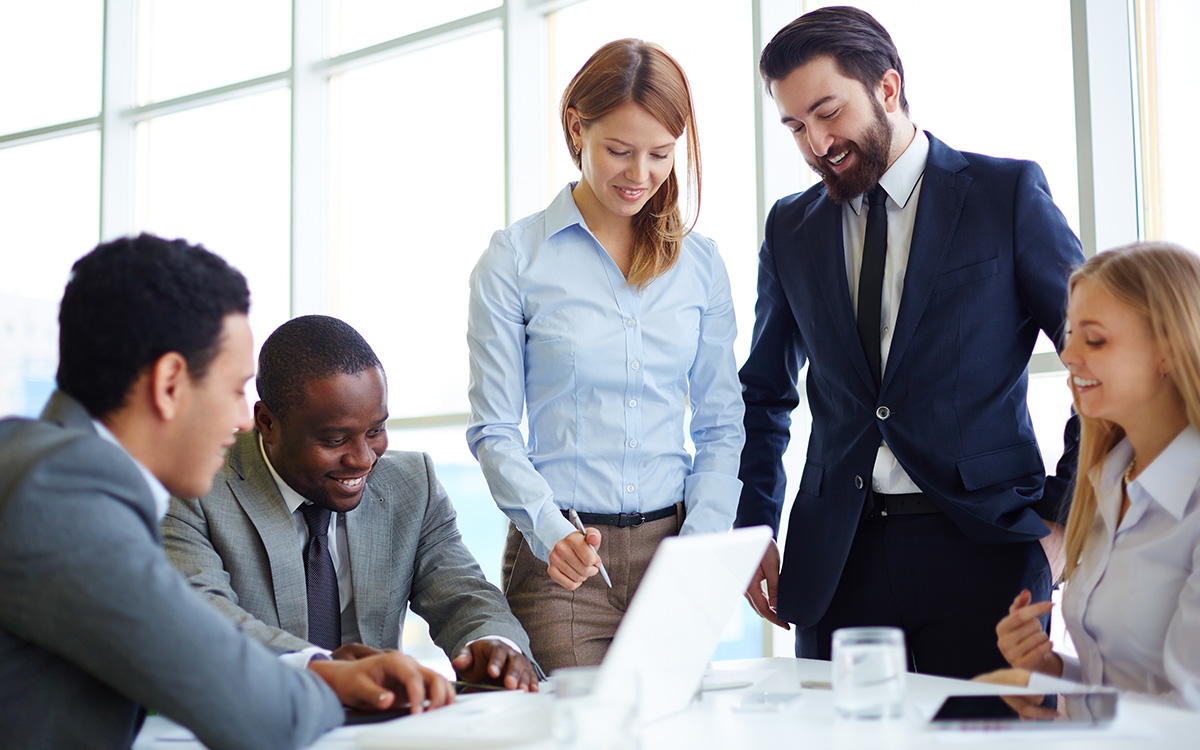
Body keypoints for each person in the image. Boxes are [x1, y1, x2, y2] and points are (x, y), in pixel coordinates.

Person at [734, 6, 1084, 678]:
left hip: (986, 547)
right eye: (795, 126)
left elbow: (1097, 361)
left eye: (828, 112)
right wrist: (755, 529)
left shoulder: (1004, 195)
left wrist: (1065, 523)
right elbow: (766, 394)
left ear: (887, 89)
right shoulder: (790, 229)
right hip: (839, 558)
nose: (815, 142)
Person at [0, 235, 452, 750]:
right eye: (236, 389)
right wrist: (340, 687)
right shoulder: (60, 496)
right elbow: (258, 714)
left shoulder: (41, 467)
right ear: (170, 383)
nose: (244, 419)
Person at [467, 38, 745, 672]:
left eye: (660, 154)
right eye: (619, 151)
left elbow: (722, 427)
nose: (640, 175)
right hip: (562, 559)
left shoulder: (700, 265)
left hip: (675, 549)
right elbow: (494, 429)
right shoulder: (515, 259)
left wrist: (701, 550)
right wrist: (547, 527)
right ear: (577, 131)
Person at [164, 315, 540, 691]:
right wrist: (329, 671)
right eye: (334, 439)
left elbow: (463, 593)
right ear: (266, 422)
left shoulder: (412, 484)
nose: (363, 459)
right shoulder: (194, 484)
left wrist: (492, 645)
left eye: (375, 431)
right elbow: (202, 615)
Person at [986, 242, 1200, 709]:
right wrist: (1049, 672)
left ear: (1168, 349)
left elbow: (1188, 715)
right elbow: (1128, 685)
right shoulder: (1109, 485)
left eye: (1095, 340)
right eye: (1069, 335)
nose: (1067, 355)